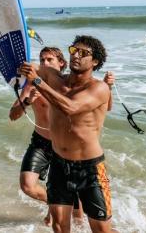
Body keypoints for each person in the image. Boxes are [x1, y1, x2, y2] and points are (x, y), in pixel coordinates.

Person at [19, 36, 117, 233]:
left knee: (101, 230)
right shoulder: (54, 78)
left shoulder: (99, 88)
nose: (76, 56)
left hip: (90, 169)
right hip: (59, 164)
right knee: (59, 227)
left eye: (84, 53)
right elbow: (20, 64)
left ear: (95, 61)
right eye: (74, 50)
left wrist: (38, 81)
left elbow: (70, 107)